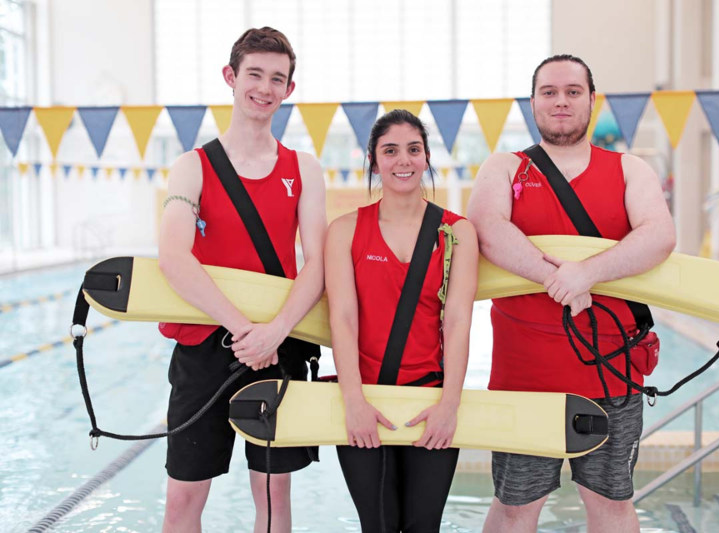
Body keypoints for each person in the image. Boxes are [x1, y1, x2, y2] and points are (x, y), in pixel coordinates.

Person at [467, 54, 676, 533]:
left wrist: (587, 273)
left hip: (612, 372)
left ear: (592, 101)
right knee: (514, 508)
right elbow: (486, 228)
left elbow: (660, 235)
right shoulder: (504, 167)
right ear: (533, 102)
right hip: (525, 377)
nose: (561, 101)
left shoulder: (629, 169)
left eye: (572, 92)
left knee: (611, 505)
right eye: (550, 92)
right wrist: (558, 279)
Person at [157, 27, 326, 533]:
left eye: (277, 78)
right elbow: (173, 257)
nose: (264, 88)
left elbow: (318, 262)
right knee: (182, 500)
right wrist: (244, 330)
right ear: (231, 77)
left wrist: (275, 332)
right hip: (206, 346)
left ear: (289, 89)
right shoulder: (192, 167)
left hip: (279, 344)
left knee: (273, 498)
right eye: (255, 74)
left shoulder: (304, 169)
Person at [324, 109, 479, 531]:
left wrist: (449, 405)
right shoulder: (345, 231)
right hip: (365, 400)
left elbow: (458, 321)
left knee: (424, 526)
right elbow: (343, 319)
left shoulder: (457, 232)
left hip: (429, 400)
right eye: (390, 151)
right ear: (374, 162)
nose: (403, 160)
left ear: (426, 158)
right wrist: (354, 402)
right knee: (377, 525)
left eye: (413, 149)